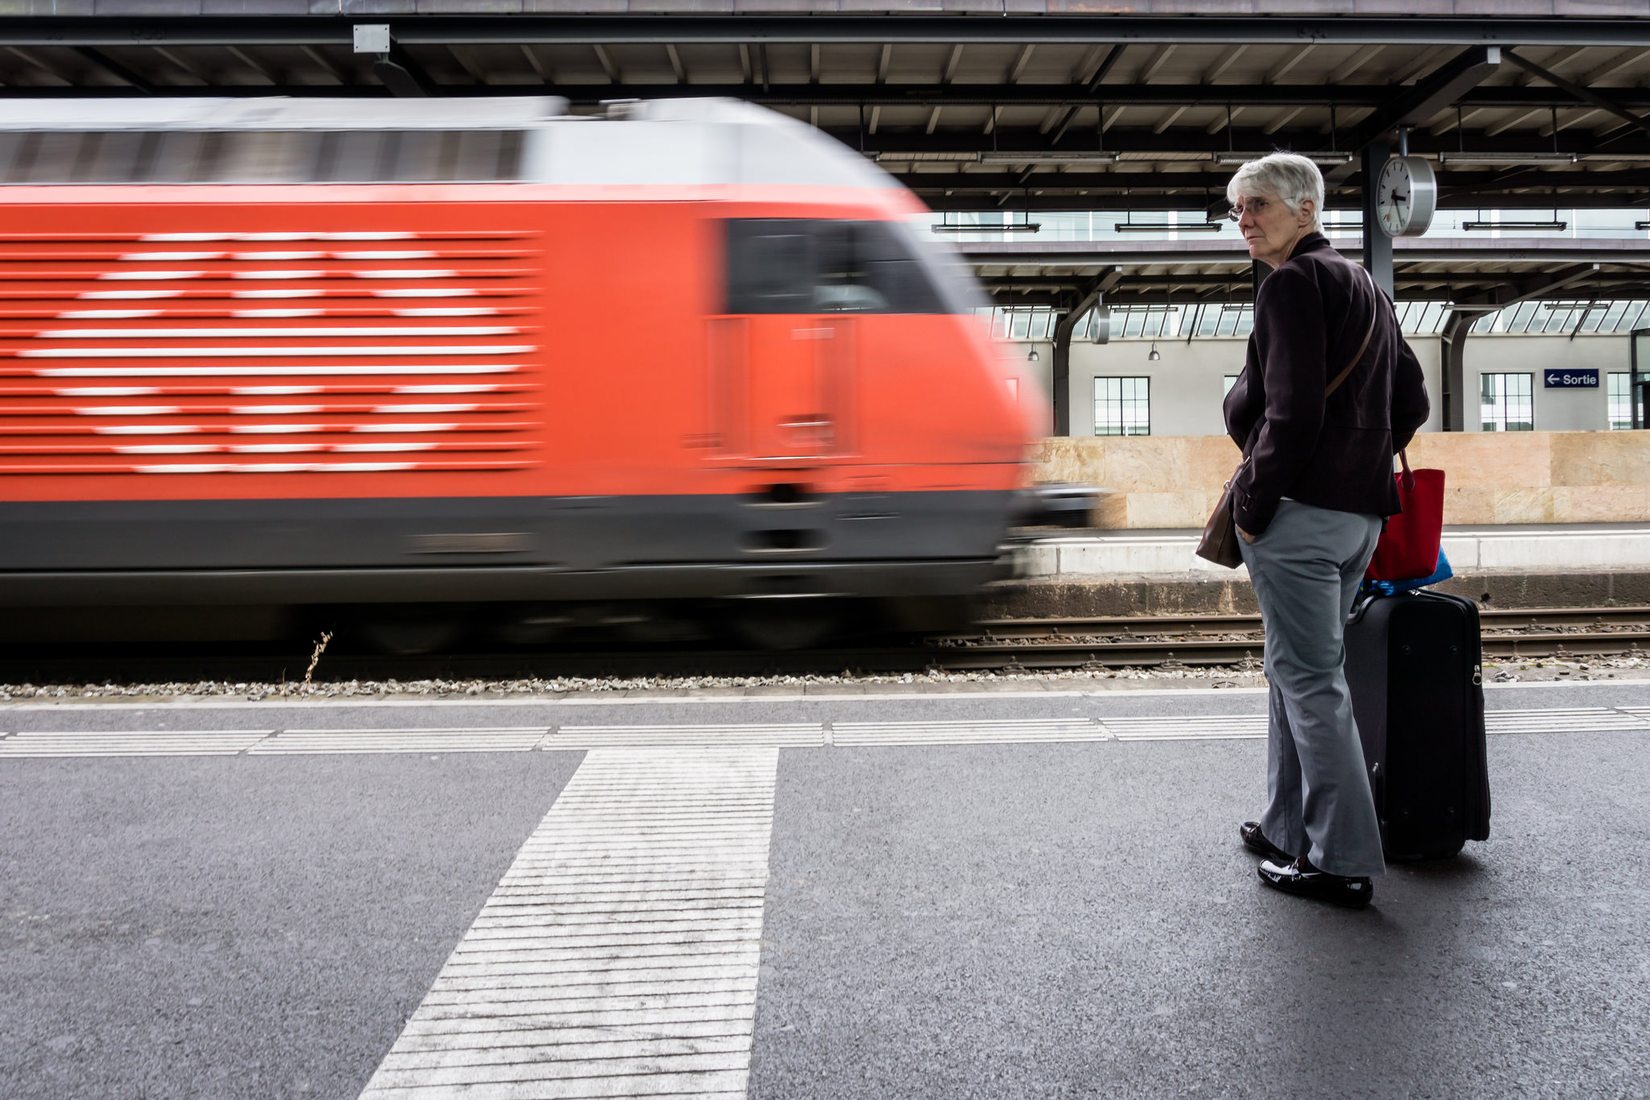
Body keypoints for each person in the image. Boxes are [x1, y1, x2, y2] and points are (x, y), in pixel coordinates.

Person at [1221, 152, 1430, 909]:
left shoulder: (1292, 285)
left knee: (1309, 681)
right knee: (1298, 671)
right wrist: (1358, 457)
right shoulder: (1366, 287)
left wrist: (1255, 501)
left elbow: (1293, 413)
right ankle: (1287, 826)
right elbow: (1413, 402)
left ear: (1306, 210)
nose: (1244, 221)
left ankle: (1339, 859)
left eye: (1260, 207)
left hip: (1299, 517)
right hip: (1360, 518)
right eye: (1238, 209)